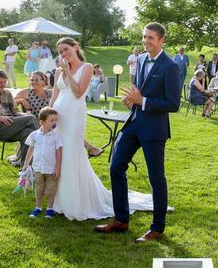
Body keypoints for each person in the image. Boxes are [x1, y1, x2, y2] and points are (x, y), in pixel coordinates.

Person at [49, 36, 156, 222]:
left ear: (75, 47)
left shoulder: (87, 67)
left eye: (66, 49)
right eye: (60, 52)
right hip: (58, 116)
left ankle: (75, 202)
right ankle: (57, 200)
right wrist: (47, 116)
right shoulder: (59, 70)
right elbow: (55, 95)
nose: (64, 54)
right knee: (58, 154)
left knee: (71, 154)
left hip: (74, 116)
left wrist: (67, 71)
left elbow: (79, 92)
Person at [95, 23, 181, 242]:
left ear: (161, 40)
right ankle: (121, 220)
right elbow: (140, 90)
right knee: (115, 167)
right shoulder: (141, 59)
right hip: (133, 122)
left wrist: (142, 100)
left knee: (156, 178)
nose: (146, 41)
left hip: (154, 128)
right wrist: (132, 100)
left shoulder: (170, 66)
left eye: (150, 38)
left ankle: (157, 228)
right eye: (144, 37)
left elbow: (173, 103)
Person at [0, 69, 39, 166]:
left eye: (5, 82)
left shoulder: (7, 94)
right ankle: (43, 152)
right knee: (32, 119)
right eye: (0, 82)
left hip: (11, 126)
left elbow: (15, 112)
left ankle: (25, 169)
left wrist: (24, 115)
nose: (3, 84)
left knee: (28, 132)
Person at [23, 107, 63, 218]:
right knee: (39, 189)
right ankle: (38, 207)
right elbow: (31, 150)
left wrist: (58, 168)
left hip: (51, 169)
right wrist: (26, 164)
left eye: (56, 120)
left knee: (51, 190)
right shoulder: (34, 135)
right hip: (38, 168)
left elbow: (59, 152)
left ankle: (50, 209)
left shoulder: (56, 136)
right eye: (52, 120)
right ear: (41, 122)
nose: (54, 123)